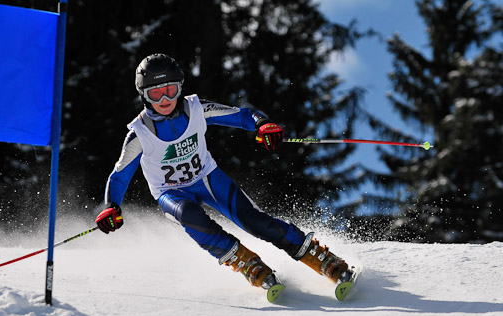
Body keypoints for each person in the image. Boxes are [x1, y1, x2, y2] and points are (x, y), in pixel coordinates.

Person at [96, 53, 352, 301]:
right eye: (155, 93)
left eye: (170, 90)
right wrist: (111, 206)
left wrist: (262, 124)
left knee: (254, 221)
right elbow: (119, 176)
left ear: (180, 88)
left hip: (208, 178)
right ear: (143, 95)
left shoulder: (196, 108)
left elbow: (241, 115)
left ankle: (323, 259)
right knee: (189, 216)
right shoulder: (139, 133)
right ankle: (248, 264)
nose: (164, 98)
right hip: (169, 192)